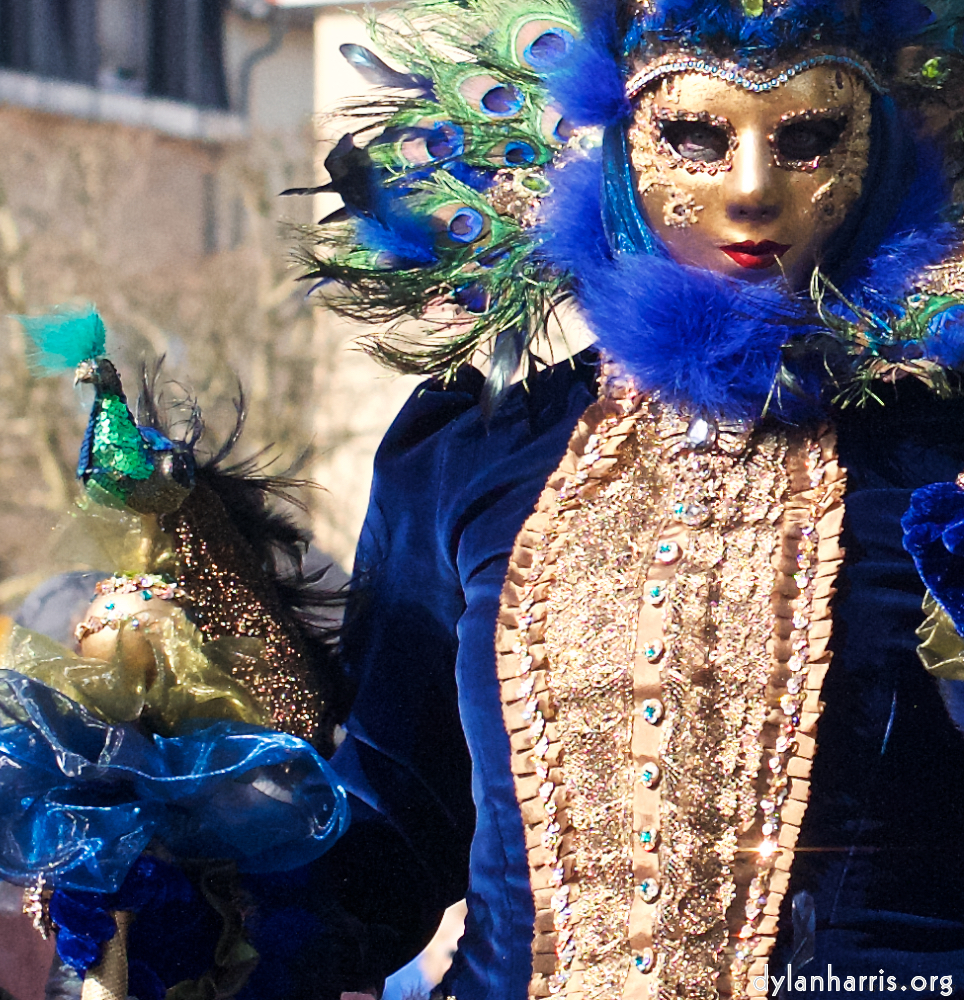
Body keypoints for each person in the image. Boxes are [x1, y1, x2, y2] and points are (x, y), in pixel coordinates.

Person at [296, 0, 964, 997]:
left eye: (807, 138)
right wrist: (188, 849)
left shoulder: (937, 452)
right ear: (617, 138)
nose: (750, 190)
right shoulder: (476, 449)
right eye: (694, 135)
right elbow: (387, 834)